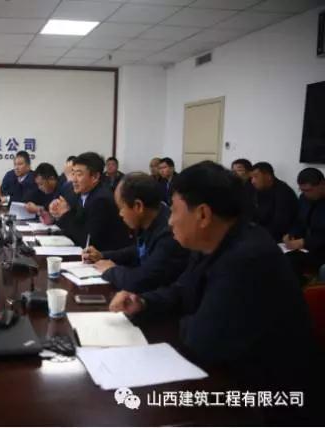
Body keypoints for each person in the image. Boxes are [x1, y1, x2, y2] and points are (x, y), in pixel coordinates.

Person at [109, 161, 320, 424]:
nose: (170, 221)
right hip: (230, 377)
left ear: (203, 215)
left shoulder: (247, 257)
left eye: (174, 211)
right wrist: (143, 302)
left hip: (270, 402)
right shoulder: (213, 242)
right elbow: (182, 290)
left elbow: (202, 341)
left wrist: (188, 319)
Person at [82, 172, 189, 292]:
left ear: (138, 206)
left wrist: (111, 270)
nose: (120, 214)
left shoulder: (169, 235)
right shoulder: (152, 217)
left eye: (121, 208)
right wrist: (103, 255)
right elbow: (139, 250)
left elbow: (142, 280)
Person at [49, 152, 131, 251]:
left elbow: (87, 241)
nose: (73, 179)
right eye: (73, 173)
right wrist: (58, 213)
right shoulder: (80, 193)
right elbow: (74, 225)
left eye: (79, 174)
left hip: (106, 255)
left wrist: (65, 214)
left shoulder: (101, 200)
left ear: (95, 177)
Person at [283, 167, 325, 279]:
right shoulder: (304, 199)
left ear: (322, 184)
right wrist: (291, 234)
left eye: (308, 190)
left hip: (321, 250)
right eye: (302, 190)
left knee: (290, 262)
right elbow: (299, 221)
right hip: (306, 247)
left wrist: (304, 242)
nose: (305, 194)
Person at [250, 161, 298, 242]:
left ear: (268, 177)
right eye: (251, 178)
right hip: (263, 232)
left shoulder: (284, 192)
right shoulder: (260, 189)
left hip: (281, 238)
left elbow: (279, 225)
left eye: (256, 177)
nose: (252, 181)